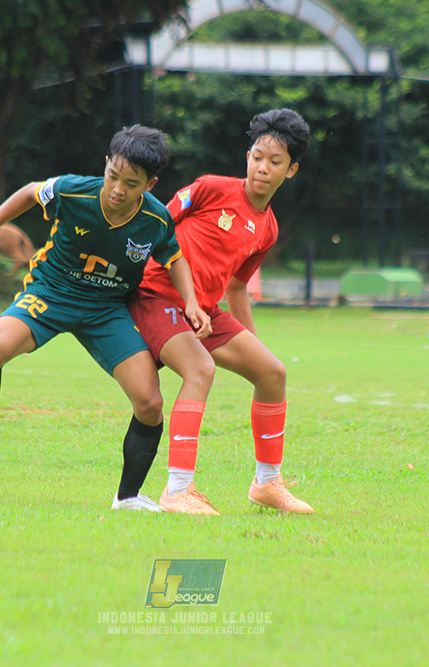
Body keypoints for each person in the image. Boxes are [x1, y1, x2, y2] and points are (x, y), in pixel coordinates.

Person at [0, 125, 211, 512]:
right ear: (106, 164)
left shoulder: (156, 220)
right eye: (113, 175)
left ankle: (127, 498)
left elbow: (173, 257)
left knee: (149, 402)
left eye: (131, 182)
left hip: (108, 309)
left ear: (150, 184)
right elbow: (28, 193)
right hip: (53, 291)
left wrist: (190, 302)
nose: (117, 189)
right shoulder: (74, 190)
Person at [127, 108, 314, 515]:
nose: (262, 168)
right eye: (257, 157)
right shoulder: (211, 188)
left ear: (292, 170)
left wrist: (252, 347)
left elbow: (238, 286)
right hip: (156, 296)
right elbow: (156, 222)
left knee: (272, 373)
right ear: (247, 156)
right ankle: (177, 490)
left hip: (205, 312)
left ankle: (267, 484)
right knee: (200, 370)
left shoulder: (269, 228)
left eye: (275, 162)